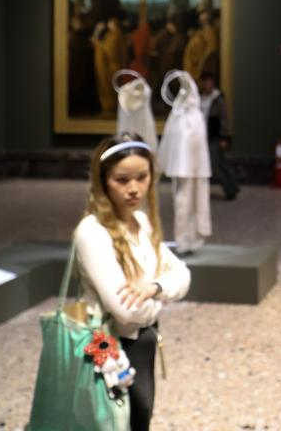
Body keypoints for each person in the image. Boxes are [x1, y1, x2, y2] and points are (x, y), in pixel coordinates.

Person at [73, 133, 191, 431]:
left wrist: (154, 288)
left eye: (142, 177)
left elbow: (182, 275)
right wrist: (159, 302)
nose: (134, 188)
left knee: (139, 418)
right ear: (103, 181)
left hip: (142, 341)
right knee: (111, 422)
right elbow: (126, 310)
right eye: (122, 180)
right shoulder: (93, 231)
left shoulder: (141, 222)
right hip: (110, 346)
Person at [199, 71, 239, 200]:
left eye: (209, 82)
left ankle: (231, 188)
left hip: (215, 136)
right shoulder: (200, 98)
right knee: (218, 163)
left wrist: (224, 137)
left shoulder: (218, 99)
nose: (207, 84)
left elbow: (224, 118)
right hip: (202, 136)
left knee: (216, 164)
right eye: (205, 82)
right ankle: (232, 187)